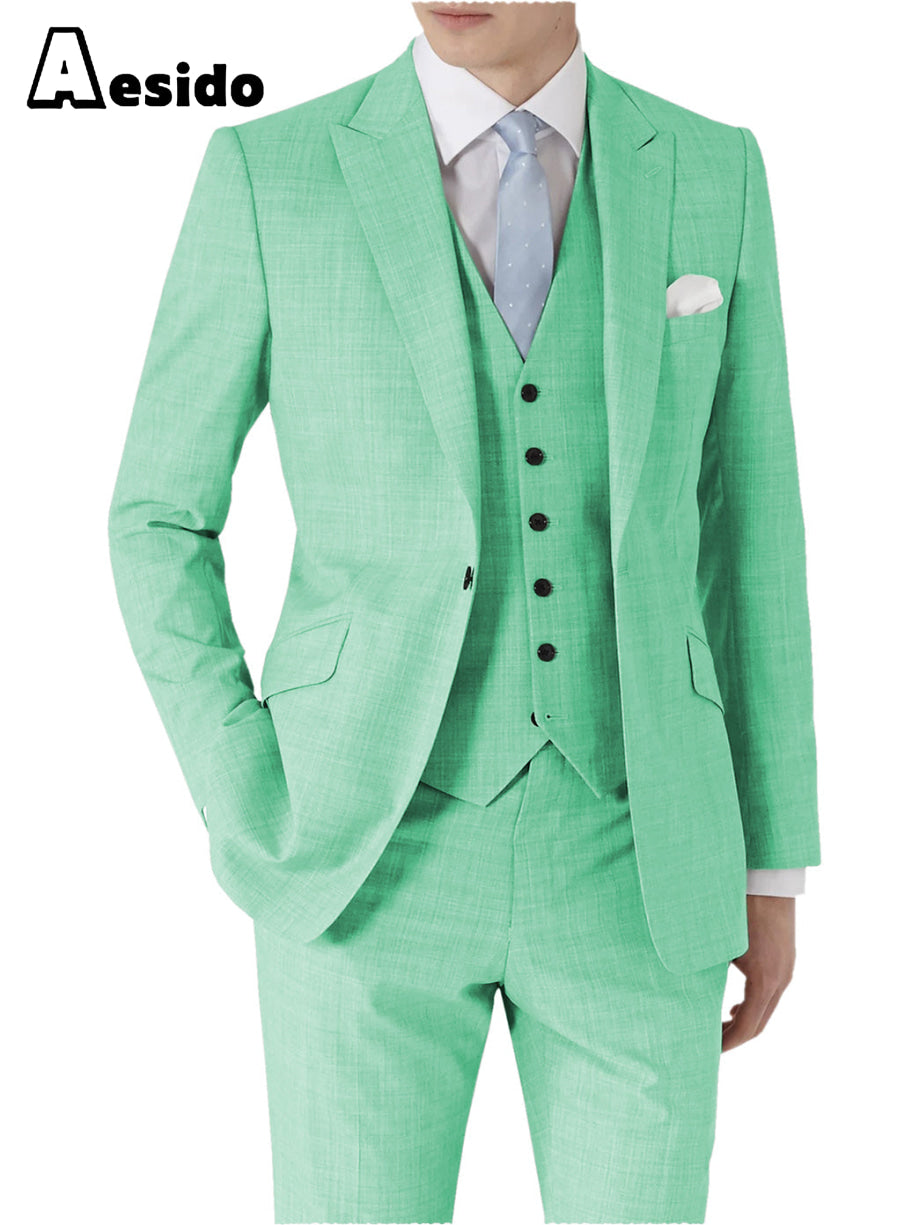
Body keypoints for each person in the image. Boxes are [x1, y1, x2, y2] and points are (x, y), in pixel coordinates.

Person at [107, 3, 821, 1221]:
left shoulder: (713, 169)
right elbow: (156, 516)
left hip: (639, 855)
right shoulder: (271, 174)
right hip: (356, 851)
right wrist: (249, 789)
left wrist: (769, 861)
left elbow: (750, 530)